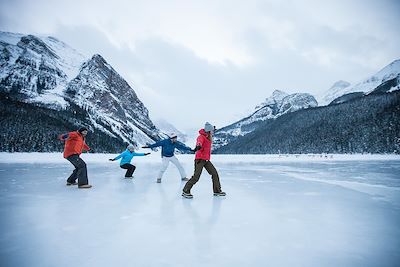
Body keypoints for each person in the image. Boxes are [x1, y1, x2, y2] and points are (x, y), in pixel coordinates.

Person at [182, 122, 226, 198]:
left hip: (206, 160)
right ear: (209, 131)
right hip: (199, 159)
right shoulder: (201, 136)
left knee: (214, 173)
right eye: (212, 130)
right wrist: (198, 146)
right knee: (196, 177)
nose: (213, 132)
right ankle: (186, 190)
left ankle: (217, 191)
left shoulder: (208, 137)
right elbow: (199, 142)